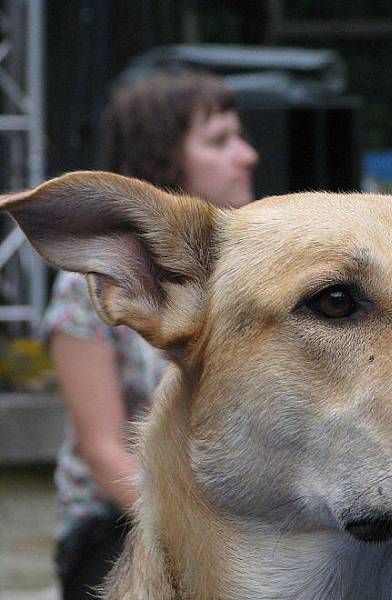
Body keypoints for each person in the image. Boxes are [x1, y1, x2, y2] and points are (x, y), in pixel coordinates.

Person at [42, 71, 258, 599]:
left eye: (239, 135)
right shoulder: (90, 284)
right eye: (219, 141)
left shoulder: (261, 268)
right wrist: (199, 530)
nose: (247, 154)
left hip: (240, 511)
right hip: (119, 520)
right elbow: (101, 449)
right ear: (164, 160)